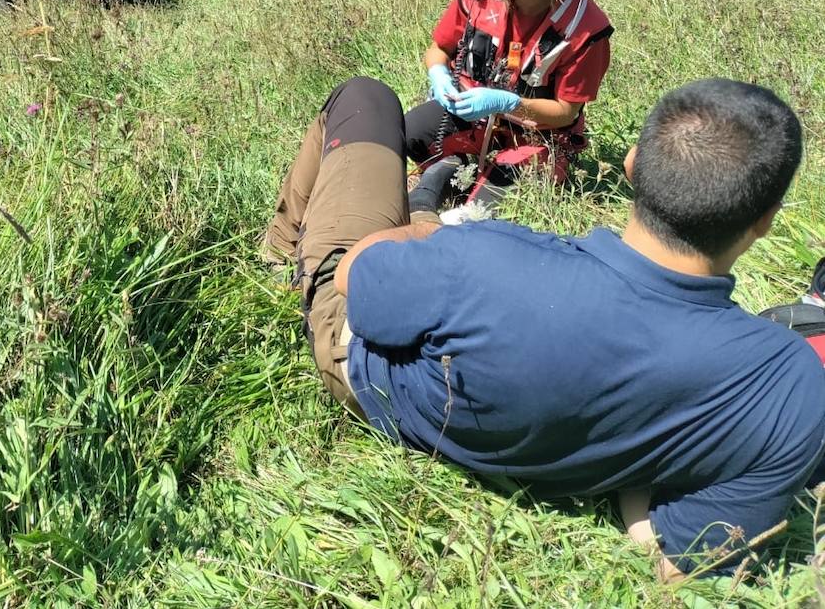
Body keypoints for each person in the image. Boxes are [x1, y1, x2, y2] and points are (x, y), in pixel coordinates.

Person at [263, 74, 825, 580]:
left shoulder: (487, 256)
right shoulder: (791, 384)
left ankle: (283, 250)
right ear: (766, 220)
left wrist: (430, 230)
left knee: (365, 98)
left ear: (631, 166)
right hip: (496, 407)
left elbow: (358, 279)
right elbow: (682, 563)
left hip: (371, 378)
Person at [405, 0, 613, 223]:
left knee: (478, 211)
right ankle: (449, 170)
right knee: (401, 133)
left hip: (537, 140)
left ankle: (462, 190)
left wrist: (510, 103)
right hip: (467, 118)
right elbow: (437, 49)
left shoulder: (585, 29)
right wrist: (438, 73)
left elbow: (566, 112)